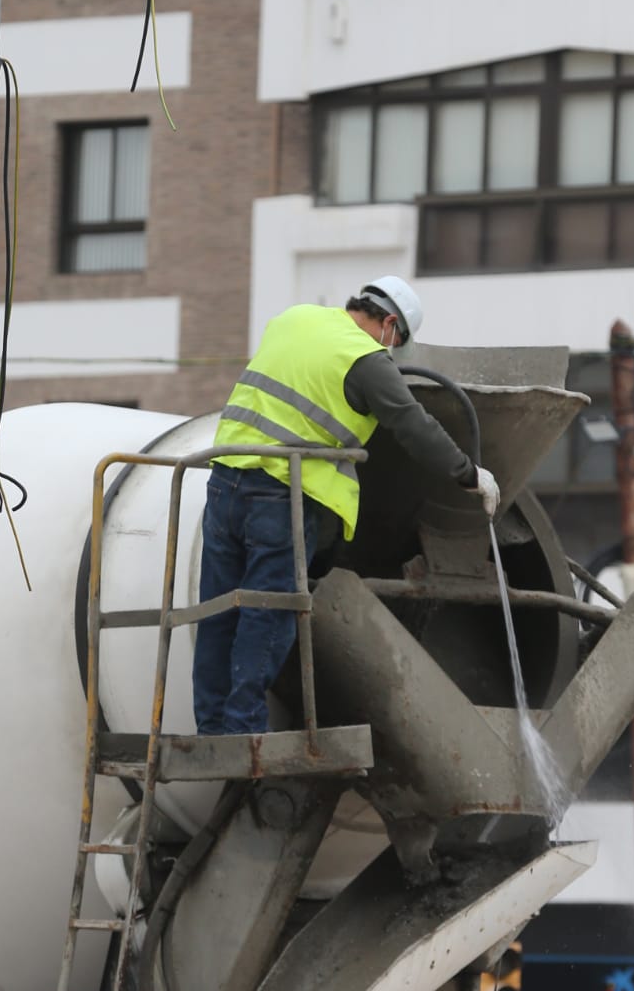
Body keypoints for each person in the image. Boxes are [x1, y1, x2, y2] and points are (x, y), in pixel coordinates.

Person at [192, 276, 500, 737]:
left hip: (223, 483)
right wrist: (468, 473)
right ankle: (242, 734)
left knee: (218, 610)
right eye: (398, 344)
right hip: (279, 496)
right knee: (269, 613)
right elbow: (413, 426)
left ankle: (212, 730)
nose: (393, 355)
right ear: (390, 323)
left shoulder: (296, 318)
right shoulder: (366, 360)